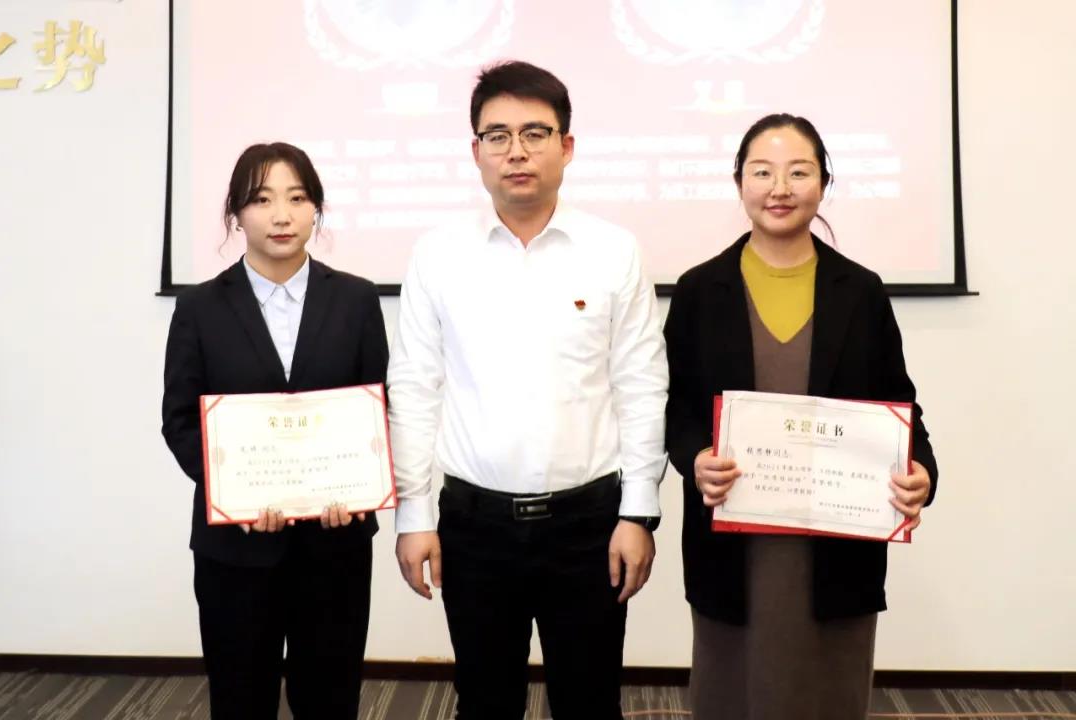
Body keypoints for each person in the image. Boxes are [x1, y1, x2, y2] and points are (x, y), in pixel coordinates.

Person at [387, 60, 668, 720]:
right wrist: (414, 514)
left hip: (589, 524)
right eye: (498, 135)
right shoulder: (438, 254)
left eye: (535, 133)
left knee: (590, 702)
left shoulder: (613, 250)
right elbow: (416, 388)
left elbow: (641, 384)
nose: (516, 151)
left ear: (566, 146)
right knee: (485, 703)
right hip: (473, 526)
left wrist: (638, 514)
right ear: (476, 152)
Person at [663, 113, 939, 720]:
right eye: (762, 172)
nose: (780, 188)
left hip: (837, 546)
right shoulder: (699, 290)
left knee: (829, 693)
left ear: (824, 182)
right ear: (740, 183)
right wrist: (696, 459)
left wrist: (921, 471)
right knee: (731, 693)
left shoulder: (861, 291)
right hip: (733, 542)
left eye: (798, 172)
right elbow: (676, 408)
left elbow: (900, 405)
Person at [161, 142, 387, 719]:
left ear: (317, 209)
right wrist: (235, 495)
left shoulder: (357, 299)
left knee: (330, 699)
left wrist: (359, 492)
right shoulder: (199, 308)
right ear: (236, 213)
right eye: (262, 200)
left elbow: (378, 410)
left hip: (334, 548)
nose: (281, 215)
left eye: (297, 198)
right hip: (234, 553)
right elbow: (180, 420)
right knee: (240, 699)